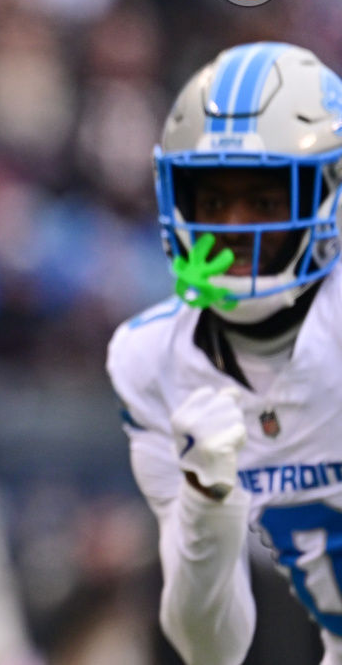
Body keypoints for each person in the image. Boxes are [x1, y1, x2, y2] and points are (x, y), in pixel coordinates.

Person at [107, 41, 342, 664]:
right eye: (214, 201)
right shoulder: (149, 357)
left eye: (265, 201)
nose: (235, 226)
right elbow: (209, 650)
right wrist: (208, 505)